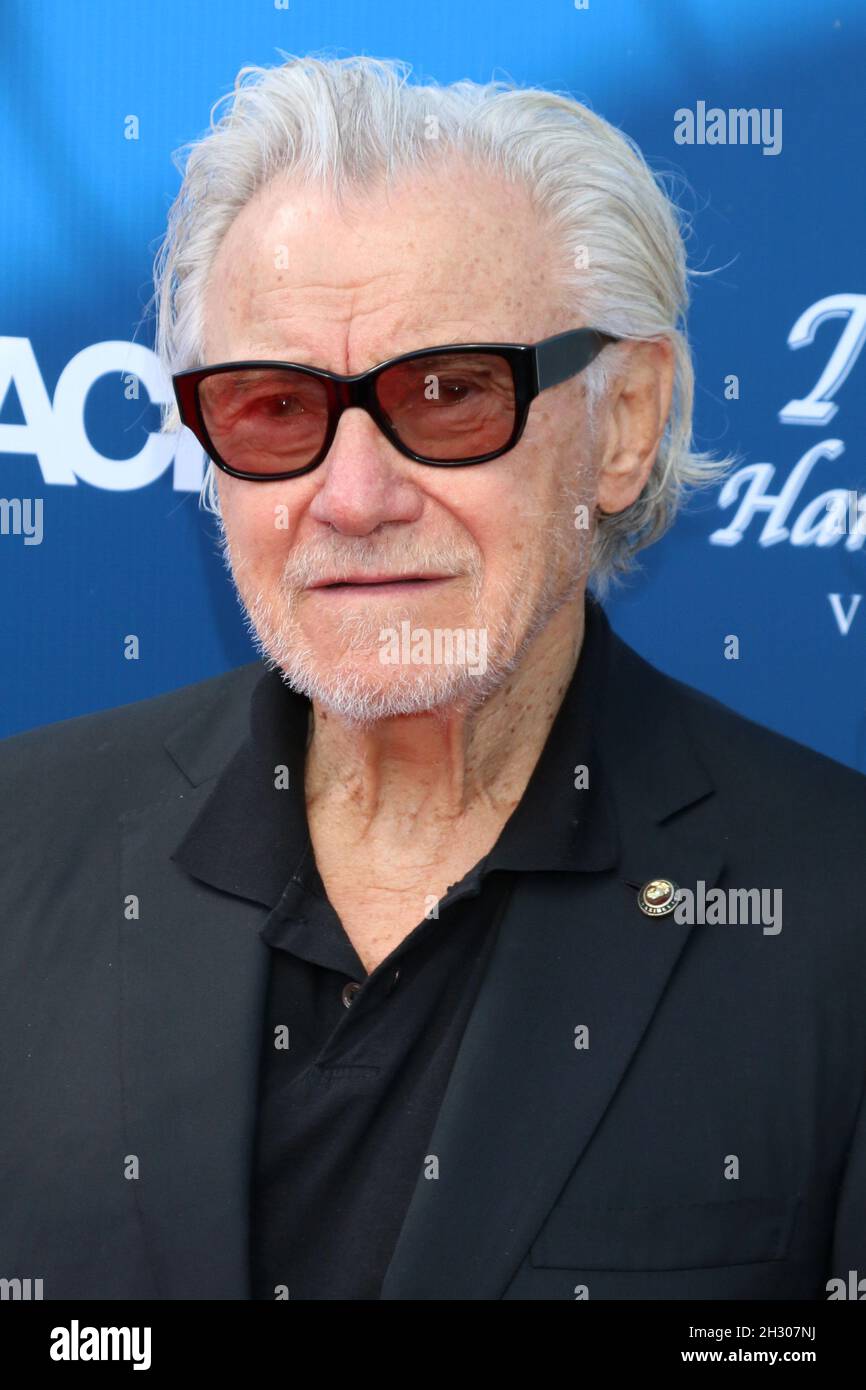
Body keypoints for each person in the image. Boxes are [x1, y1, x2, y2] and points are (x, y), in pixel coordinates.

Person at [2, 54, 864, 1301]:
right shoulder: (21, 844)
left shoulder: (834, 912)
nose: (353, 499)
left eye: (451, 393)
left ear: (623, 422)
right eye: (274, 408)